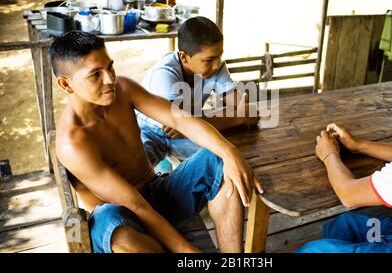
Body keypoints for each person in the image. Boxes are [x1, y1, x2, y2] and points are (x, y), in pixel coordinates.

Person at [50, 31, 263, 253]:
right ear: (66, 84)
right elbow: (134, 205)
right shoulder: (72, 142)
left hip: (157, 197)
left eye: (110, 67)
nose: (109, 79)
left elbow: (178, 119)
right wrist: (187, 252)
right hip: (123, 221)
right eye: (95, 75)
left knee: (218, 158)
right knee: (112, 225)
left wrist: (230, 152)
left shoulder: (123, 89)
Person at [295, 39, 392, 253]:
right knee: (345, 224)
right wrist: (359, 145)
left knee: (312, 251)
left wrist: (329, 154)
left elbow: (348, 195)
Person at [136, 16, 259, 169]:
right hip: (149, 130)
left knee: (225, 162)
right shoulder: (164, 74)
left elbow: (251, 114)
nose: (216, 65)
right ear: (184, 57)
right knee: (135, 169)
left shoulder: (216, 67)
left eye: (219, 56)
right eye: (209, 60)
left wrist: (192, 122)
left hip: (187, 134)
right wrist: (235, 116)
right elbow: (183, 126)